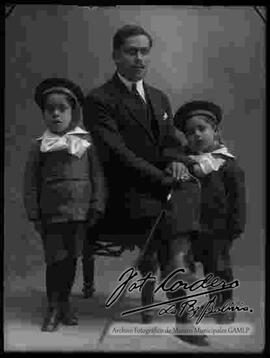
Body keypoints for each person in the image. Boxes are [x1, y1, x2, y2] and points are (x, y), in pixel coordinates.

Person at [83, 24, 192, 326]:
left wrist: (177, 163)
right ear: (115, 56)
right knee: (169, 218)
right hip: (122, 194)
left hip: (159, 186)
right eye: (132, 52)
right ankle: (182, 310)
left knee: (193, 204)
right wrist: (163, 179)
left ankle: (179, 296)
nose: (140, 59)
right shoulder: (100, 99)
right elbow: (118, 155)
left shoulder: (158, 97)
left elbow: (171, 142)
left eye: (145, 52)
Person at [23, 78, 105, 332]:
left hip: (79, 213)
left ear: (74, 112)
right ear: (44, 114)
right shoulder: (40, 146)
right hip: (51, 214)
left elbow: (97, 177)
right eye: (50, 110)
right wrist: (34, 213)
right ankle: (53, 306)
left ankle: (65, 303)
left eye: (62, 109)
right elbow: (30, 183)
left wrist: (96, 205)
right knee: (55, 260)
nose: (56, 114)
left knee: (71, 260)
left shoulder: (86, 143)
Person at [171, 100, 246, 332]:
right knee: (183, 267)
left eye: (202, 129)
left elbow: (238, 201)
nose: (197, 135)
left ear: (215, 131)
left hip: (218, 230)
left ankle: (222, 305)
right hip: (190, 229)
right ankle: (182, 311)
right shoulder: (184, 163)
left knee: (219, 270)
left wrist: (234, 228)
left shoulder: (227, 165)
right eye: (190, 132)